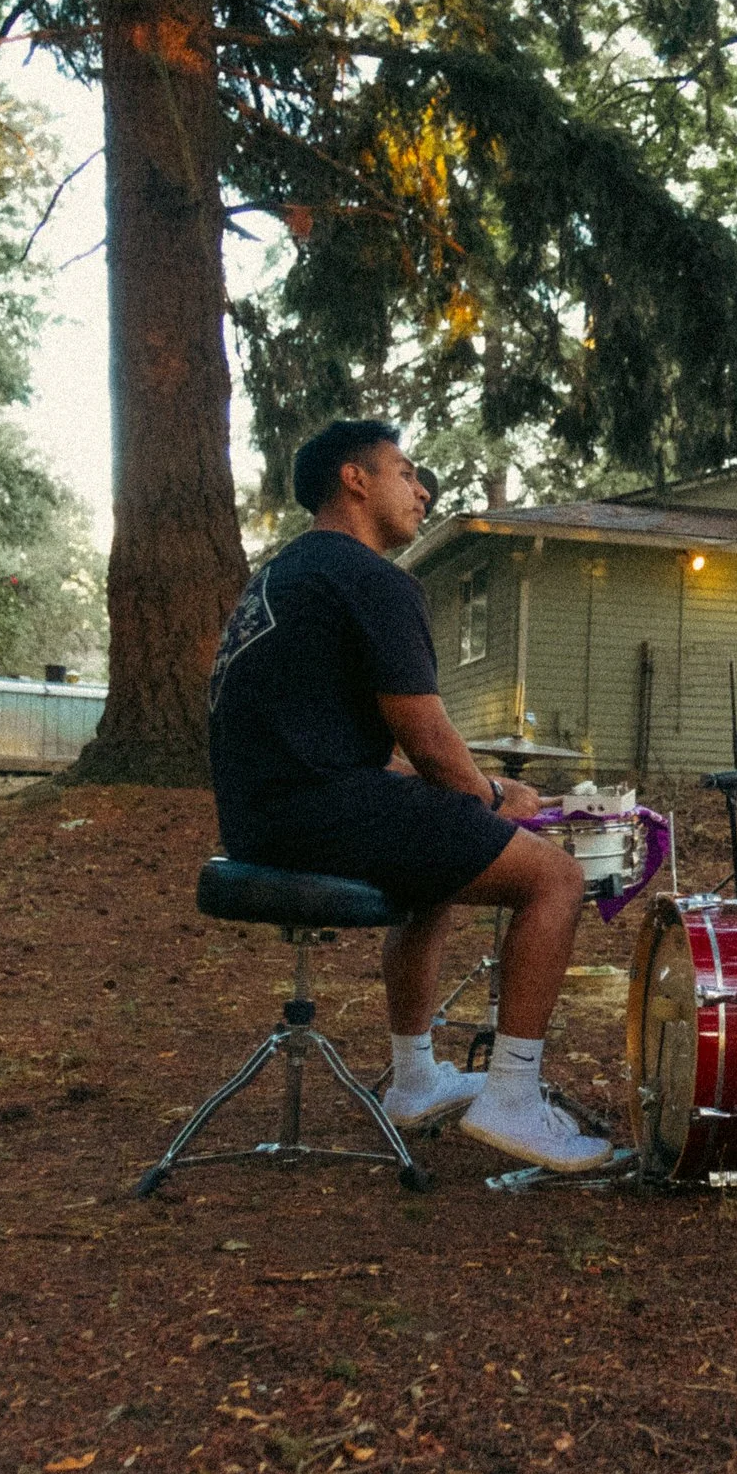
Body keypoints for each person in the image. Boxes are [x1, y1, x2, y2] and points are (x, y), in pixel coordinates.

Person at [207, 419, 610, 1171]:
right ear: (353, 480)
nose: (422, 489)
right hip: (318, 817)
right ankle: (512, 1100)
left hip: (261, 820)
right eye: (404, 471)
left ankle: (416, 1077)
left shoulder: (280, 578)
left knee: (438, 848)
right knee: (555, 878)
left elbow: (312, 742)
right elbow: (426, 737)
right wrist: (491, 797)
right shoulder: (371, 578)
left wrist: (468, 802)